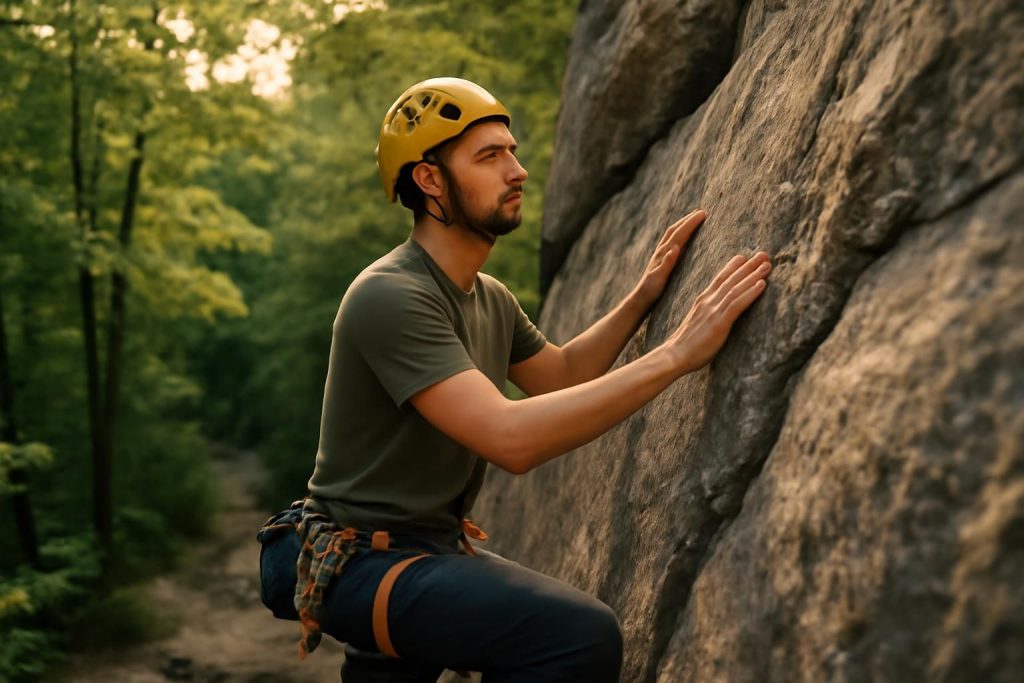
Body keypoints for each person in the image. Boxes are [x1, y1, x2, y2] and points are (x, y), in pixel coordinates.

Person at [260, 77, 772, 682]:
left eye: (512, 150)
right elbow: (512, 440)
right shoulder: (391, 296)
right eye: (490, 156)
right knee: (574, 636)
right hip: (350, 560)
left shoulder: (488, 298)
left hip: (418, 550)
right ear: (429, 180)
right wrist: (677, 353)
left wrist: (644, 297)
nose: (518, 170)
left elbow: (561, 376)